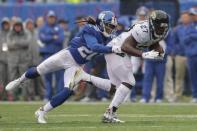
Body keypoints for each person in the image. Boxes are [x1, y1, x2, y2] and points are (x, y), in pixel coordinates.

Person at [5, 11, 119, 123]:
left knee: (67, 91)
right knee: (38, 70)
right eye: (109, 26)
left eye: (112, 27)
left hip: (76, 66)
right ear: (101, 24)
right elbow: (94, 47)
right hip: (66, 56)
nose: (111, 29)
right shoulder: (90, 29)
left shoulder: (109, 37)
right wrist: (112, 49)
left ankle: (42, 111)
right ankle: (20, 80)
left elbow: (119, 43)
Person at [39, 10, 65, 101]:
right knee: (47, 77)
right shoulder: (43, 28)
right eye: (50, 17)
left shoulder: (59, 28)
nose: (51, 19)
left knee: (59, 77)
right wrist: (53, 37)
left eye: (53, 17)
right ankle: (47, 96)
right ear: (47, 18)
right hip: (47, 55)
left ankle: (58, 96)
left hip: (58, 55)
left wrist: (49, 37)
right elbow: (42, 38)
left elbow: (60, 39)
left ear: (55, 18)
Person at [6, 18, 32, 100]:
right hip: (13, 60)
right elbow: (9, 45)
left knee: (24, 78)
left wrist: (15, 43)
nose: (17, 27)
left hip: (23, 60)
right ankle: (13, 96)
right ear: (14, 26)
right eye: (16, 26)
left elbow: (27, 42)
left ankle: (25, 96)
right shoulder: (10, 34)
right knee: (12, 78)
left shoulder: (26, 33)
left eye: (19, 26)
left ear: (21, 26)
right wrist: (21, 43)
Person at [183, 7, 197, 103]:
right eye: (191, 15)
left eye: (193, 15)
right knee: (193, 77)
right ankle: (195, 95)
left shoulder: (190, 28)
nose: (192, 17)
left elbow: (189, 37)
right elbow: (184, 39)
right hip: (192, 55)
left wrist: (192, 35)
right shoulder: (189, 26)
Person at [0, 17, 10, 100]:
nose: (5, 25)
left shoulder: (11, 33)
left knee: (10, 78)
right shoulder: (0, 34)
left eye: (7, 24)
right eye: (4, 24)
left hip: (11, 60)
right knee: (2, 79)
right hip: (2, 60)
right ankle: (3, 96)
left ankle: (10, 96)